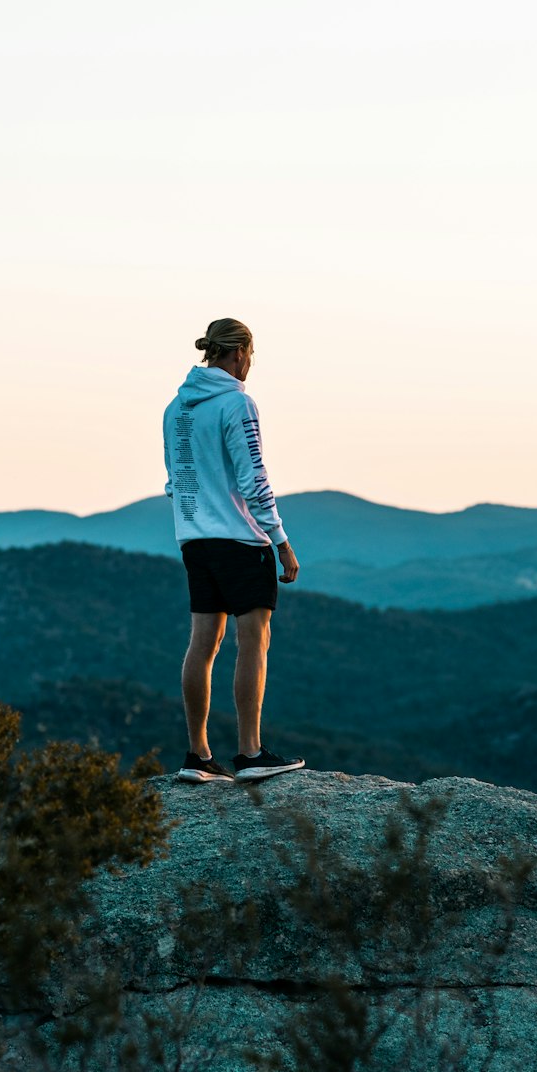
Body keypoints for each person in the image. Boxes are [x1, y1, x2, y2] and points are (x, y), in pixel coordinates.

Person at [162, 318, 305, 784]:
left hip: (194, 541)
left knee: (202, 645)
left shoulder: (175, 409)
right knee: (253, 643)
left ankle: (197, 755)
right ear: (241, 352)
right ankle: (249, 753)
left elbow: (175, 480)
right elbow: (254, 478)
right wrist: (281, 542)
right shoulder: (237, 403)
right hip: (241, 541)